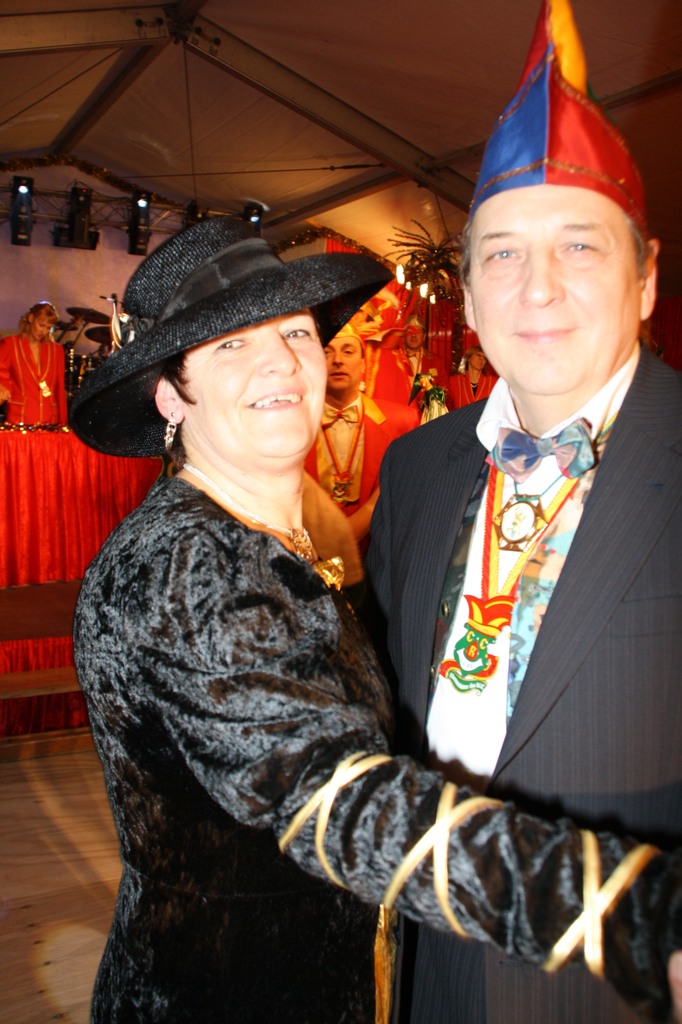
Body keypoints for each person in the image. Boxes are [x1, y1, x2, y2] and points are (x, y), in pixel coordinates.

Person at [69, 216, 681, 1024]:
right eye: (231, 345)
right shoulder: (183, 564)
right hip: (223, 994)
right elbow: (335, 799)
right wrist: (633, 915)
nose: (280, 361)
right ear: (169, 396)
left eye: (295, 332)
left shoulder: (275, 541)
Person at [366, 1, 682, 1022]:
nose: (535, 287)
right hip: (435, 971)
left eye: (579, 247)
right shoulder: (415, 469)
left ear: (646, 279)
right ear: (465, 296)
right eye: (502, 253)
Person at [304, 324, 418, 553]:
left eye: (348, 351)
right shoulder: (290, 424)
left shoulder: (403, 423)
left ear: (364, 364)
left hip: (378, 557)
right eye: (327, 352)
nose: (338, 360)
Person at [0, 300, 67, 425]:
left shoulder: (56, 350)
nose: (44, 331)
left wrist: (63, 423)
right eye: (41, 325)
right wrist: (2, 386)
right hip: (20, 417)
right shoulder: (10, 345)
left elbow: (59, 390)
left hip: (49, 419)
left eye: (48, 328)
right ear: (31, 318)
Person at [450, 344, 497, 408]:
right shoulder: (455, 382)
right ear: (469, 358)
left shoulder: (493, 382)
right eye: (478, 355)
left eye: (485, 358)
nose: (482, 359)